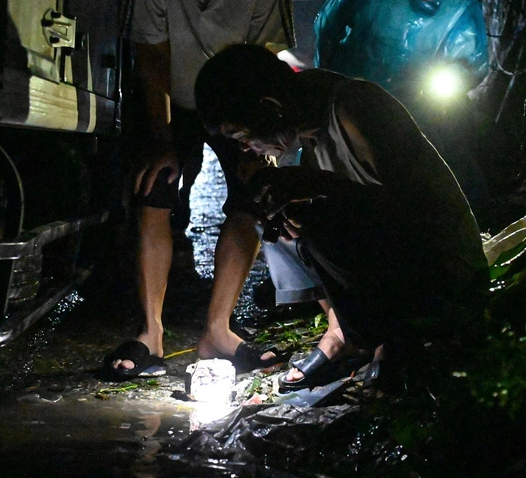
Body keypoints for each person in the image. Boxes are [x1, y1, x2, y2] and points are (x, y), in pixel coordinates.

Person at [101, 0, 295, 380]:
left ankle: (218, 330)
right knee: (155, 186)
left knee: (255, 192)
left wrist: (262, 137)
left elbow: (270, 51)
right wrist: (162, 138)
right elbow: (151, 53)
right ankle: (151, 333)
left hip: (238, 100)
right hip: (171, 91)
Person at [195, 44, 489, 390]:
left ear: (270, 108)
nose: (246, 149)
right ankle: (344, 331)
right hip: (400, 257)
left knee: (316, 221)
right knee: (278, 214)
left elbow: (414, 211)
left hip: (445, 271)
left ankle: (399, 337)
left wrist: (315, 186)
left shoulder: (354, 107)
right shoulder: (308, 122)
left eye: (244, 137)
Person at [314, 0, 489, 207]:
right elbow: (330, 29)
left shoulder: (461, 10)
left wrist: (449, 77)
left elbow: (471, 63)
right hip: (354, 101)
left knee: (449, 150)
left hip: (418, 107)